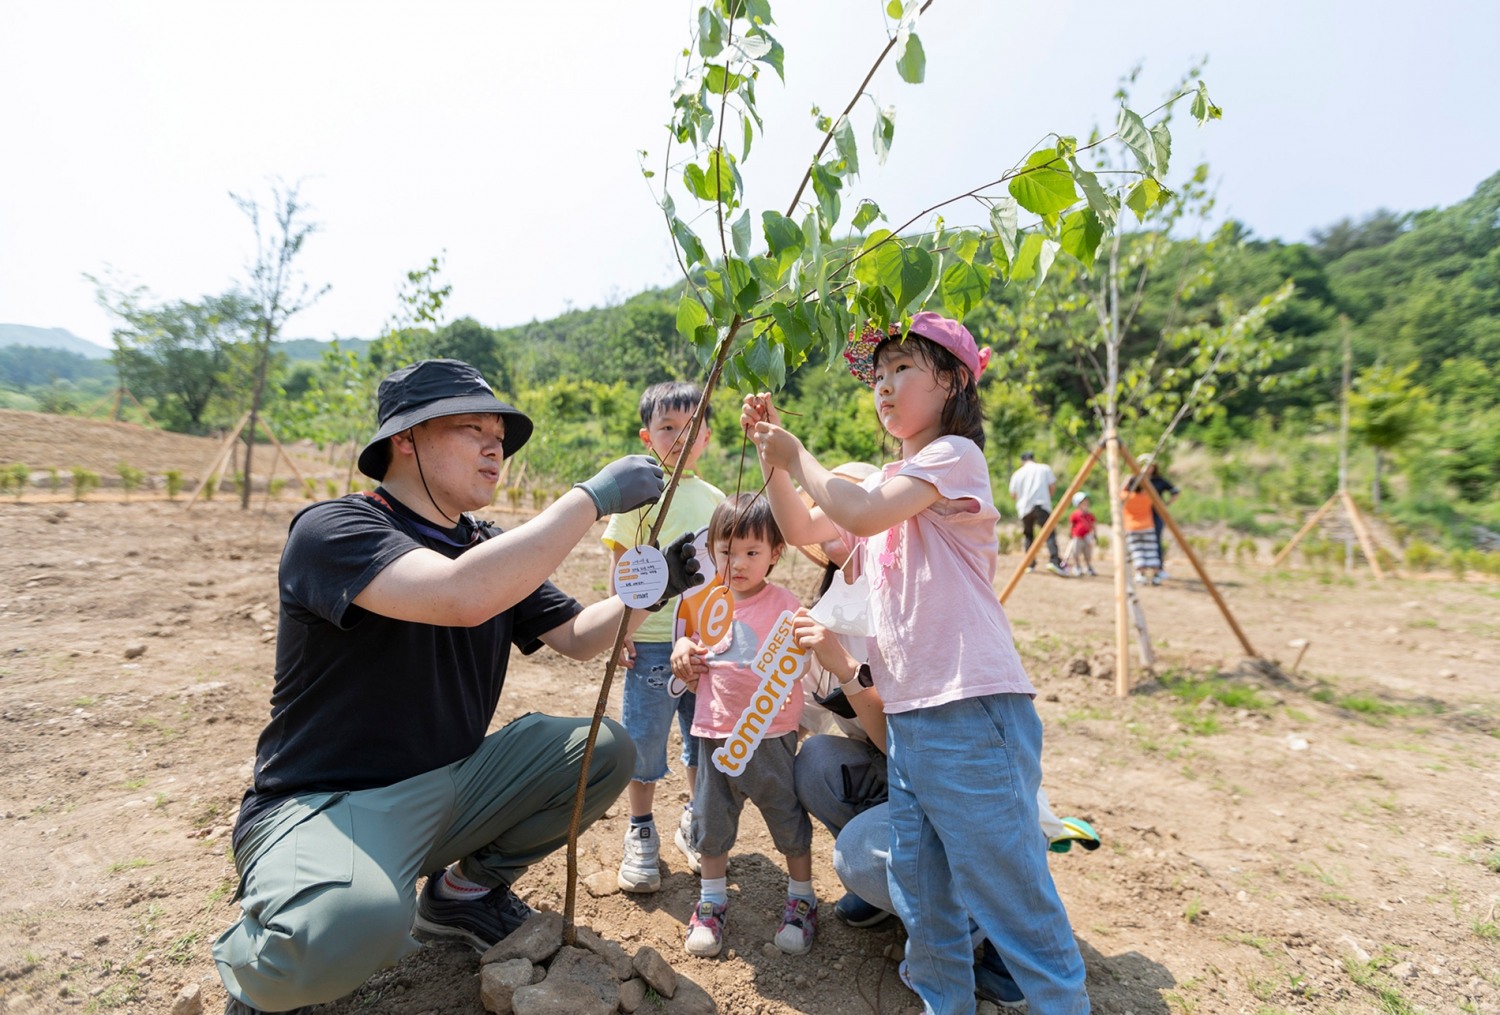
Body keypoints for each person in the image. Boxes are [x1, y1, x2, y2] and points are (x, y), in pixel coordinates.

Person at [213, 359, 702, 1015]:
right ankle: (262, 976)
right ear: (404, 438)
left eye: (499, 435)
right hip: (325, 805)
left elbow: (580, 637)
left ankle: (462, 895)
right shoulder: (336, 530)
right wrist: (590, 498)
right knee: (349, 925)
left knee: (604, 749)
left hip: (447, 790)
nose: (495, 447)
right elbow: (459, 595)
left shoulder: (485, 546)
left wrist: (656, 587)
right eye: (472, 429)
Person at [744, 313, 1091, 1013]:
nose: (884, 385)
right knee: (921, 888)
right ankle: (943, 1000)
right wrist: (772, 459)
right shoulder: (893, 488)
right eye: (878, 374)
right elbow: (803, 525)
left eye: (903, 367)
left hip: (967, 706)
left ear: (954, 381)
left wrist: (799, 450)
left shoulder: (952, 456)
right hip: (911, 717)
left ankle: (1059, 1000)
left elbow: (860, 510)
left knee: (1009, 889)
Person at [670, 494, 818, 957]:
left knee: (787, 817)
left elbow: (804, 659)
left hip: (770, 734)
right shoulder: (707, 602)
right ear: (711, 551)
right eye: (726, 551)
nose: (737, 563)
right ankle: (711, 902)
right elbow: (693, 648)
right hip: (714, 732)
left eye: (751, 552)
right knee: (711, 820)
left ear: (775, 553)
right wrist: (683, 653)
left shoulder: (786, 605)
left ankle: (802, 899)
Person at [602, 380, 724, 893]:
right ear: (646, 437)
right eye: (667, 427)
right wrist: (620, 630)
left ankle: (695, 820)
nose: (679, 437)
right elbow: (620, 564)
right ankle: (640, 829)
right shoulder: (637, 498)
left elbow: (723, 573)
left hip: (703, 644)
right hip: (650, 637)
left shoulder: (716, 500)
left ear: (707, 437)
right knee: (645, 737)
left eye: (690, 428)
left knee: (701, 736)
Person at [1009, 450, 1067, 576]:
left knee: (1028, 535)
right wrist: (1047, 497)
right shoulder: (1044, 468)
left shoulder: (1017, 474)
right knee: (1049, 533)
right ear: (1033, 459)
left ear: (1022, 461)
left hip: (1025, 508)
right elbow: (1052, 487)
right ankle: (1054, 561)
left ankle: (1029, 564)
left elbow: (1013, 495)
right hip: (1042, 505)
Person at [1139, 453, 1180, 580]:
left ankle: (1158, 569)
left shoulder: (1158, 480)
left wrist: (1166, 504)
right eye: (1145, 465)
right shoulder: (1137, 480)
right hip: (1141, 515)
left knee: (1156, 540)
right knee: (1141, 541)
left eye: (1150, 466)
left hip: (1156, 514)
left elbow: (1175, 491)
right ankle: (1141, 570)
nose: (1148, 468)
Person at [1122, 471, 1162, 584]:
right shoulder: (1147, 497)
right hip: (1148, 526)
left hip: (1132, 527)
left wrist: (1127, 480)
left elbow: (1119, 492)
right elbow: (1152, 490)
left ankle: (1141, 574)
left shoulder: (1127, 497)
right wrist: (1145, 481)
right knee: (1151, 550)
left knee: (1137, 551)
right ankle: (1156, 574)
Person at [1066, 491, 1098, 577]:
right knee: (1076, 553)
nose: (1086, 503)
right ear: (1078, 504)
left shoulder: (1090, 515)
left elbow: (1093, 524)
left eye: (1087, 501)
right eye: (1084, 501)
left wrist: (1095, 534)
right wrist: (1070, 533)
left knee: (1088, 553)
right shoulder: (1075, 515)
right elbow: (1071, 524)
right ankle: (1077, 567)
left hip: (1087, 537)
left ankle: (1088, 567)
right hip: (1077, 537)